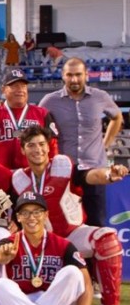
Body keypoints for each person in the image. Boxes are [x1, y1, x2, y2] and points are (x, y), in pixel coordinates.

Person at [12, 125, 129, 305]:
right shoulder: (18, 178)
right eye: (31, 145)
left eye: (41, 144)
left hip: (71, 235)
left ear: (48, 147)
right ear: (23, 150)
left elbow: (89, 176)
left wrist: (108, 175)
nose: (37, 149)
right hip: (38, 243)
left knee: (107, 238)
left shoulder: (64, 166)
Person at [0, 192, 99, 305]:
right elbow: (0, 255)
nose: (31, 217)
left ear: (46, 215)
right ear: (18, 217)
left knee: (73, 273)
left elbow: (86, 284)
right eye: (25, 213)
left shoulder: (63, 245)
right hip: (22, 302)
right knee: (0, 286)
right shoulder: (10, 242)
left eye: (37, 212)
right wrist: (4, 256)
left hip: (54, 302)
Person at [39, 57, 123, 227]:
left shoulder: (100, 97)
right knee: (64, 225)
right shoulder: (49, 101)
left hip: (95, 169)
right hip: (64, 172)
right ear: (63, 76)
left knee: (96, 224)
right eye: (69, 75)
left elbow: (117, 117)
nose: (74, 79)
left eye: (78, 74)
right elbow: (39, 128)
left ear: (86, 75)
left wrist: (105, 145)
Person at [0, 68, 57, 169]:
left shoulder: (42, 113)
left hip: (33, 174)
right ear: (3, 89)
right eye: (15, 86)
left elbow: (52, 145)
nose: (20, 90)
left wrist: (53, 170)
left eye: (23, 86)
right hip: (3, 173)